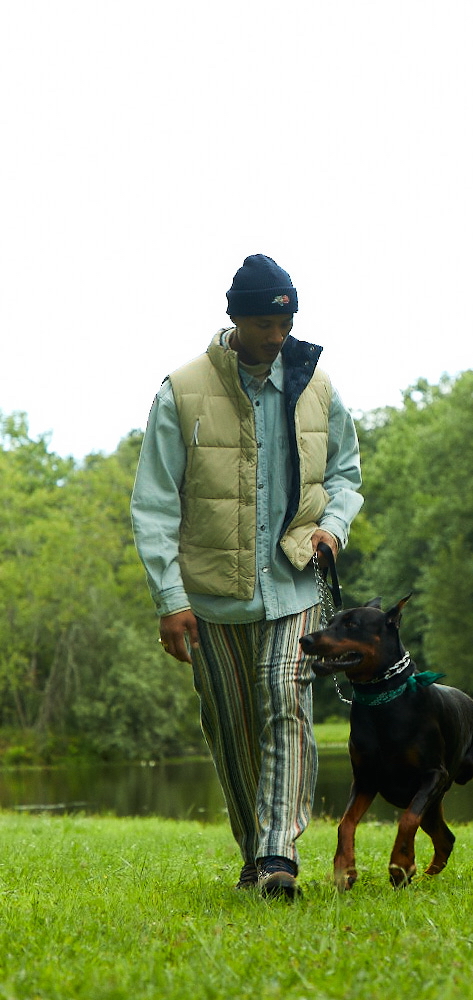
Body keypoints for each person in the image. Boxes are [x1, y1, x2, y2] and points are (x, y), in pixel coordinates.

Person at [131, 254, 363, 899]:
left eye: (286, 324)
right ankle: (253, 853)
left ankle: (278, 855)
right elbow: (154, 502)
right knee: (233, 731)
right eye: (265, 323)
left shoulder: (317, 387)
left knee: (286, 705)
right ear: (235, 319)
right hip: (210, 595)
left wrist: (332, 529)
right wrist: (169, 598)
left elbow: (345, 473)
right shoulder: (180, 391)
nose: (277, 337)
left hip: (295, 584)